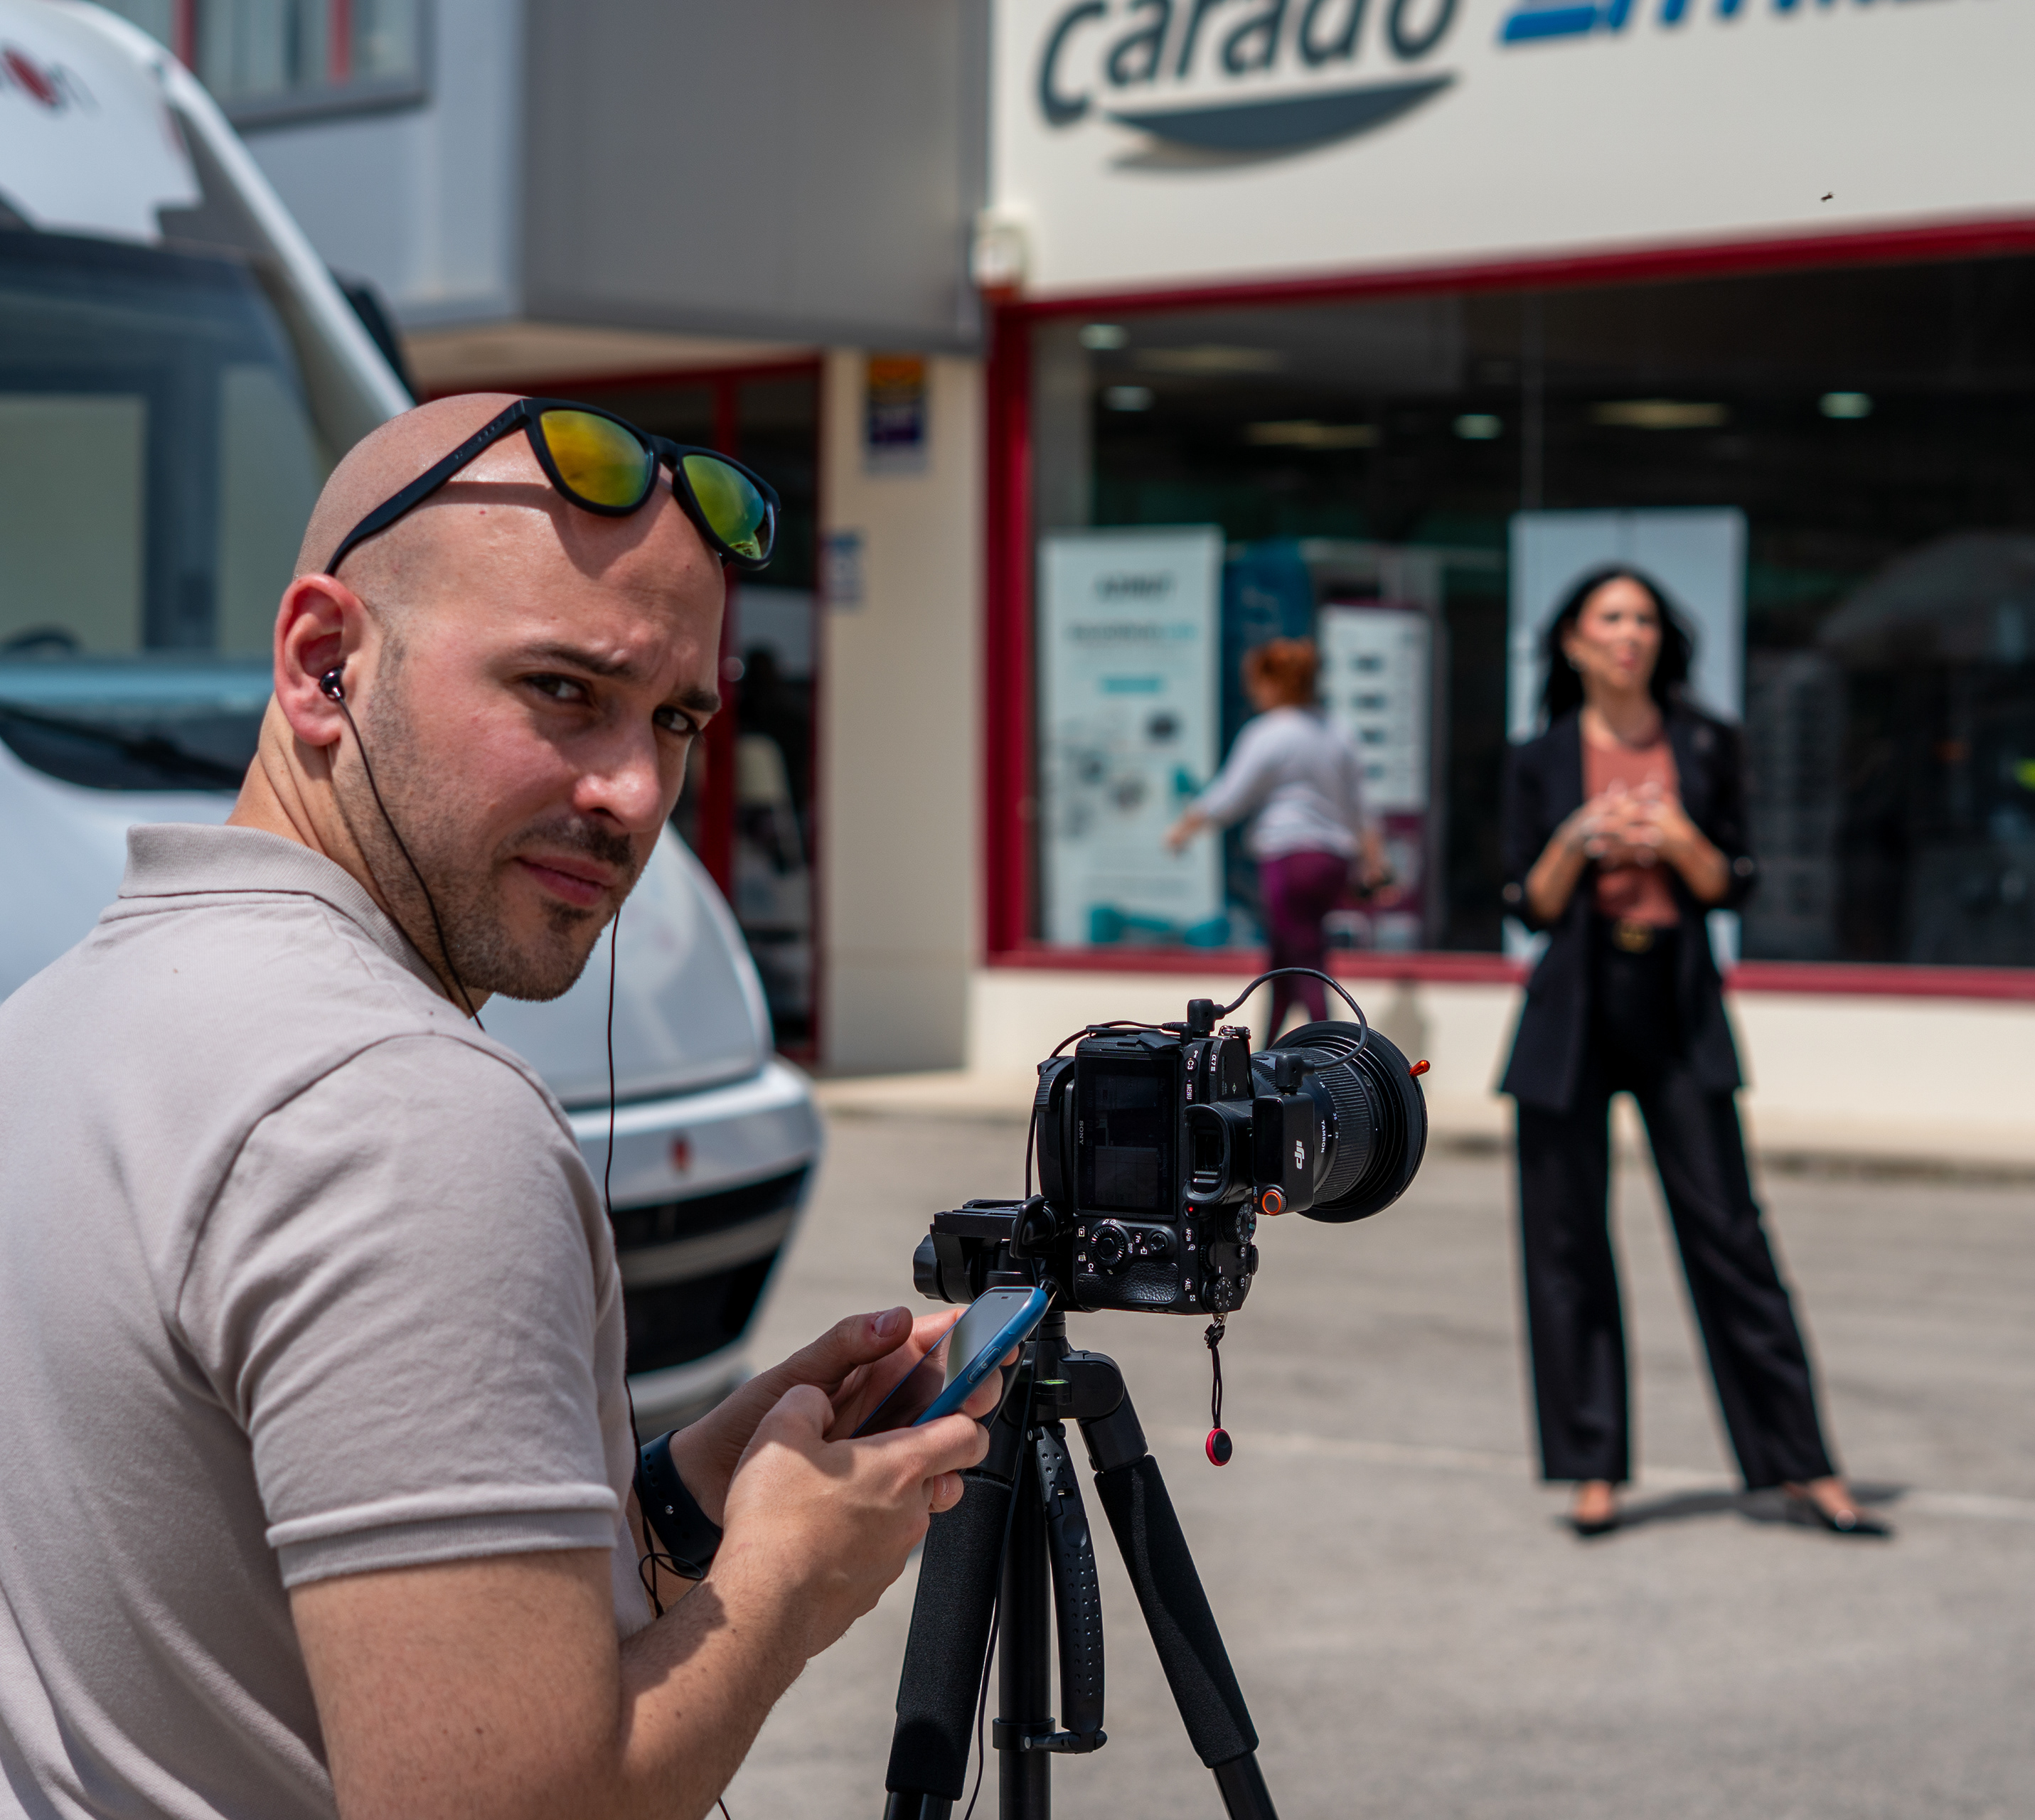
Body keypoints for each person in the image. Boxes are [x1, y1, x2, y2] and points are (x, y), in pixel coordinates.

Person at [0, 393, 1000, 1820]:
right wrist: (789, 1586)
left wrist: (678, 1506)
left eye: (677, 718)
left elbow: (219, 1610)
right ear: (323, 662)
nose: (635, 791)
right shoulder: (404, 1116)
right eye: (564, 691)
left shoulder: (54, 1016)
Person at [1500, 567, 1889, 1541]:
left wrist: (1676, 839)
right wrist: (1576, 841)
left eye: (1643, 618)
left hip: (1676, 1001)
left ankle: (1803, 1465)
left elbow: (1731, 884)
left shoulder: (1708, 742)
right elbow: (1527, 904)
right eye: (1610, 618)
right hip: (1573, 1007)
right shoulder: (1539, 757)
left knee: (1732, 1235)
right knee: (1566, 1244)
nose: (1629, 634)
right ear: (1574, 642)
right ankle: (1592, 1467)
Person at [1166, 636, 1390, 1042]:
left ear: (1274, 683)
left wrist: (1185, 828)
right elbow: (1360, 807)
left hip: (1288, 859)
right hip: (1332, 861)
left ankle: (1331, 1050)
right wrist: (1375, 861)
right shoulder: (1338, 731)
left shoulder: (1268, 733)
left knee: (1305, 960)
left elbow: (1229, 797)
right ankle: (1266, 1050)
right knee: (1284, 959)